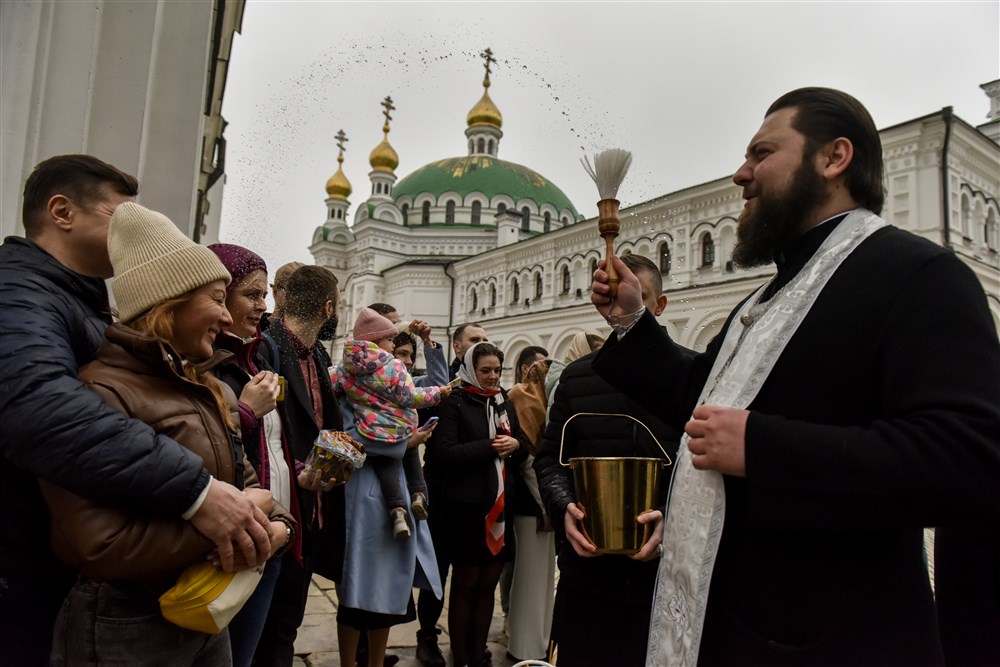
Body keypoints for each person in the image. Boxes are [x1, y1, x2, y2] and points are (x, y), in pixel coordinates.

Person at [590, 88, 1000, 666]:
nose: (741, 174)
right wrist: (634, 322)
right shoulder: (769, 295)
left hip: (826, 641)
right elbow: (704, 402)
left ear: (834, 158)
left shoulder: (919, 276)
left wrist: (762, 447)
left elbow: (966, 460)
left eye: (761, 153)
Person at [0, 155, 270, 665]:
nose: (130, 227)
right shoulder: (18, 293)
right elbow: (38, 408)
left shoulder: (78, 301)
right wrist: (200, 495)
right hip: (29, 570)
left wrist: (261, 514)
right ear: (62, 212)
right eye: (117, 213)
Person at [533, 253, 680, 667]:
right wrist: (564, 507)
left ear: (659, 305)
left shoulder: (688, 374)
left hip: (663, 579)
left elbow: (704, 470)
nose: (622, 308)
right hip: (587, 575)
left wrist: (669, 519)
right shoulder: (578, 377)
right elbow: (549, 460)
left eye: (638, 296)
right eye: (614, 297)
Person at [208, 243, 301, 667]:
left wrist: (298, 472)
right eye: (252, 294)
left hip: (269, 530)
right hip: (232, 538)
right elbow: (204, 445)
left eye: (264, 295)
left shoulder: (257, 354)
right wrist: (245, 411)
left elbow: (273, 442)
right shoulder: (207, 363)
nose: (263, 306)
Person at [256, 265, 347, 667]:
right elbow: (255, 430)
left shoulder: (317, 353)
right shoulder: (266, 349)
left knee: (286, 626)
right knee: (264, 630)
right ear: (328, 308)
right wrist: (298, 471)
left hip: (311, 514)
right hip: (277, 511)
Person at [425, 342, 529, 667]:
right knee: (466, 584)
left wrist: (516, 445)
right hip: (465, 509)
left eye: (497, 370)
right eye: (486, 370)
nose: (493, 376)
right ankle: (461, 656)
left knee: (487, 585)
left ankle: (477, 652)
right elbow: (443, 454)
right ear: (470, 369)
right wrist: (491, 446)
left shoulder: (502, 400)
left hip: (500, 506)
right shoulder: (454, 401)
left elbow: (523, 445)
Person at [331, 307, 450, 539]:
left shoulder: (353, 373)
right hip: (368, 489)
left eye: (411, 356)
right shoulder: (382, 376)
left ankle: (413, 500)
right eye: (401, 352)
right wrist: (407, 444)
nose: (406, 361)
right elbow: (346, 439)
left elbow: (438, 382)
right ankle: (413, 499)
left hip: (399, 489)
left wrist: (427, 342)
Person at [416, 321, 490, 666]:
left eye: (484, 339)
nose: (481, 344)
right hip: (442, 491)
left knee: (469, 573)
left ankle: (469, 640)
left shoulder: (490, 387)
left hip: (474, 498)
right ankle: (427, 637)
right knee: (436, 571)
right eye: (474, 339)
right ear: (458, 347)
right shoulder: (443, 382)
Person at [505, 354, 556, 662]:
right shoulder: (524, 402)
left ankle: (537, 641)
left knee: (541, 578)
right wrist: (546, 507)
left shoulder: (538, 402)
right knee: (529, 578)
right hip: (531, 507)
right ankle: (525, 647)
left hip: (542, 504)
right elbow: (529, 465)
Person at [260, 260, 305, 331]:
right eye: (293, 291)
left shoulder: (312, 333)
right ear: (276, 292)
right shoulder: (253, 327)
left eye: (305, 292)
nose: (300, 298)